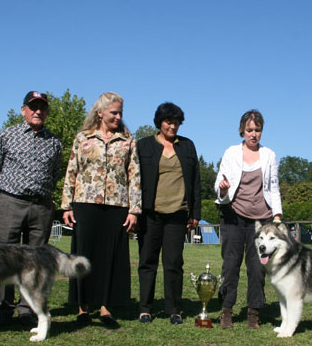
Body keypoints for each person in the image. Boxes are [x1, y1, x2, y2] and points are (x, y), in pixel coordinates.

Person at [61, 92, 141, 327]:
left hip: (117, 205)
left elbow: (134, 175)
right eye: (113, 113)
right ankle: (82, 308)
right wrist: (66, 205)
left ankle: (105, 307)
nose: (118, 117)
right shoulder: (82, 138)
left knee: (109, 258)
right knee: (83, 254)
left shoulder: (127, 140)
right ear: (100, 113)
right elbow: (71, 171)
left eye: (120, 113)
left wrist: (134, 210)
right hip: (85, 204)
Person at [0, 91, 62, 326]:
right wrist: (3, 193)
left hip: (41, 207)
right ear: (23, 110)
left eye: (42, 107)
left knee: (34, 262)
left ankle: (27, 309)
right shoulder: (7, 135)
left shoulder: (55, 142)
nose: (37, 111)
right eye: (33, 107)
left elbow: (55, 173)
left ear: (47, 111)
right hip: (11, 203)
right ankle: (5, 309)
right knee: (4, 258)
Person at [215, 110, 282, 329]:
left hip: (261, 221)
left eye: (257, 130)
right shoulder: (231, 152)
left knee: (257, 267)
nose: (253, 134)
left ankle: (254, 312)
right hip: (233, 217)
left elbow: (273, 187)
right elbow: (220, 184)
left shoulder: (269, 155)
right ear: (242, 131)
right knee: (231, 264)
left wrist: (277, 215)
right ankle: (226, 311)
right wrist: (222, 189)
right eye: (249, 130)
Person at [136, 102, 201, 325]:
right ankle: (145, 308)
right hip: (150, 214)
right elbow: (135, 182)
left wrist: (195, 213)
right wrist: (134, 211)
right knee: (147, 261)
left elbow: (196, 182)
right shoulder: (143, 145)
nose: (173, 126)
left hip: (178, 214)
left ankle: (174, 309)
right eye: (168, 122)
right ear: (159, 123)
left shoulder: (187, 146)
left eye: (176, 122)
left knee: (173, 262)